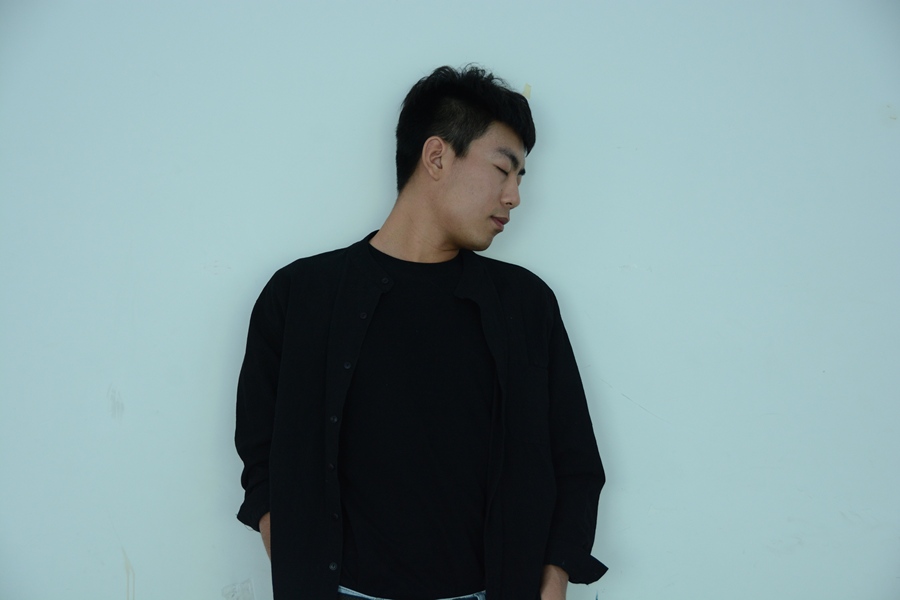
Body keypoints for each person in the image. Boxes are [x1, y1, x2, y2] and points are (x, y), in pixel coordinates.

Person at [235, 65, 607, 600]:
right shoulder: (300, 297)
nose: (514, 197)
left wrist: (553, 582)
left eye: (520, 178)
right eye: (503, 169)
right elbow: (261, 454)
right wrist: (295, 557)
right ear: (436, 157)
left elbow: (575, 461)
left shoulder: (525, 305)